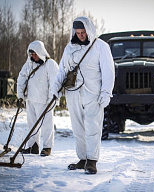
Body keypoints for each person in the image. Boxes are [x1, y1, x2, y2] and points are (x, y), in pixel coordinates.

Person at [51, 16, 115, 174]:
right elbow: (62, 71)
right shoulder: (69, 48)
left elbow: (108, 72)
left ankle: (92, 160)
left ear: (89, 30)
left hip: (93, 93)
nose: (80, 35)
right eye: (78, 32)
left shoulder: (101, 46)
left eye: (83, 32)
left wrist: (106, 92)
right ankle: (83, 159)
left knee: (93, 126)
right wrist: (55, 89)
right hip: (73, 94)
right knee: (78, 128)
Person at [17, 40, 59, 156]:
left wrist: (52, 98)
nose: (33, 56)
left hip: (45, 100)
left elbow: (54, 82)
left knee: (46, 124)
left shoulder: (50, 64)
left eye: (35, 54)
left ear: (40, 52)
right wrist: (20, 94)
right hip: (30, 99)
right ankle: (33, 146)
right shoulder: (29, 64)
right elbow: (21, 78)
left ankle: (47, 146)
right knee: (31, 124)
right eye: (31, 54)